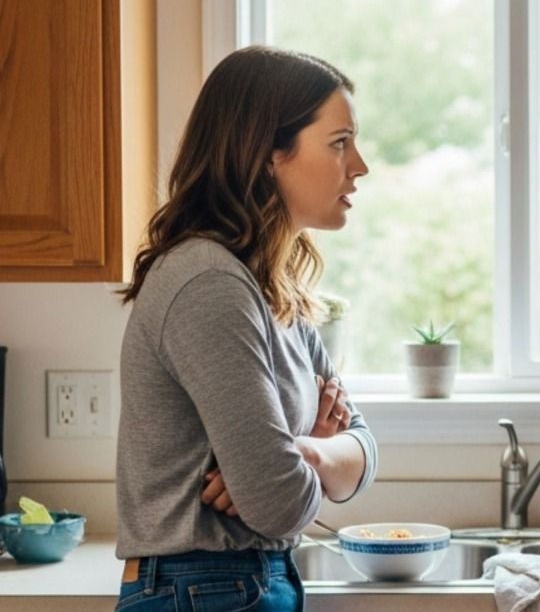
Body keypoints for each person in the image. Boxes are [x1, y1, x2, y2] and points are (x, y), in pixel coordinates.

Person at [114, 46, 378, 611]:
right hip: (203, 586)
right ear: (266, 153)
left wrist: (303, 450)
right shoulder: (208, 283)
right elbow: (278, 505)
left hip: (236, 583)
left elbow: (365, 447)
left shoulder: (268, 287)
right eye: (338, 142)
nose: (359, 164)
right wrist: (297, 466)